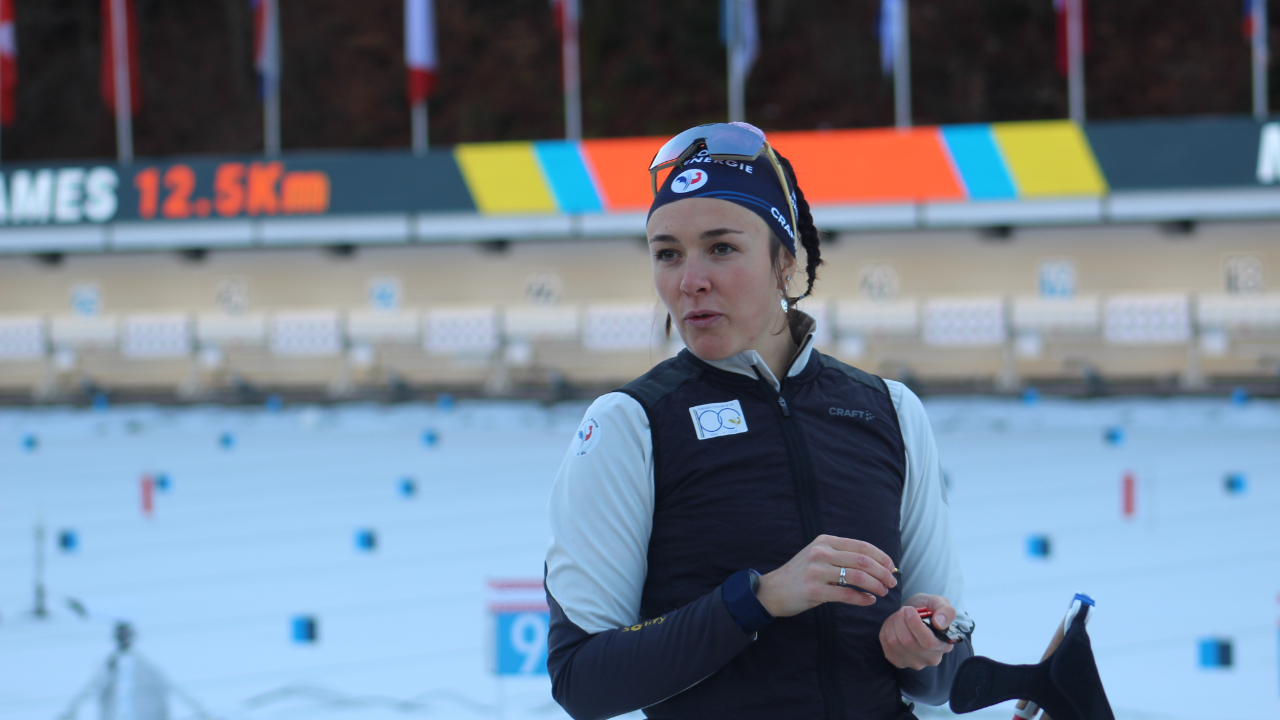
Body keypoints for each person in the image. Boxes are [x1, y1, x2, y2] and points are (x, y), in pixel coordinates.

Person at [544, 122, 975, 720]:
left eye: (721, 248)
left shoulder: (890, 411)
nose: (690, 279)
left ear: (784, 263)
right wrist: (759, 599)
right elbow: (583, 680)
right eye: (667, 253)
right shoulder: (631, 425)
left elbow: (947, 676)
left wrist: (927, 643)